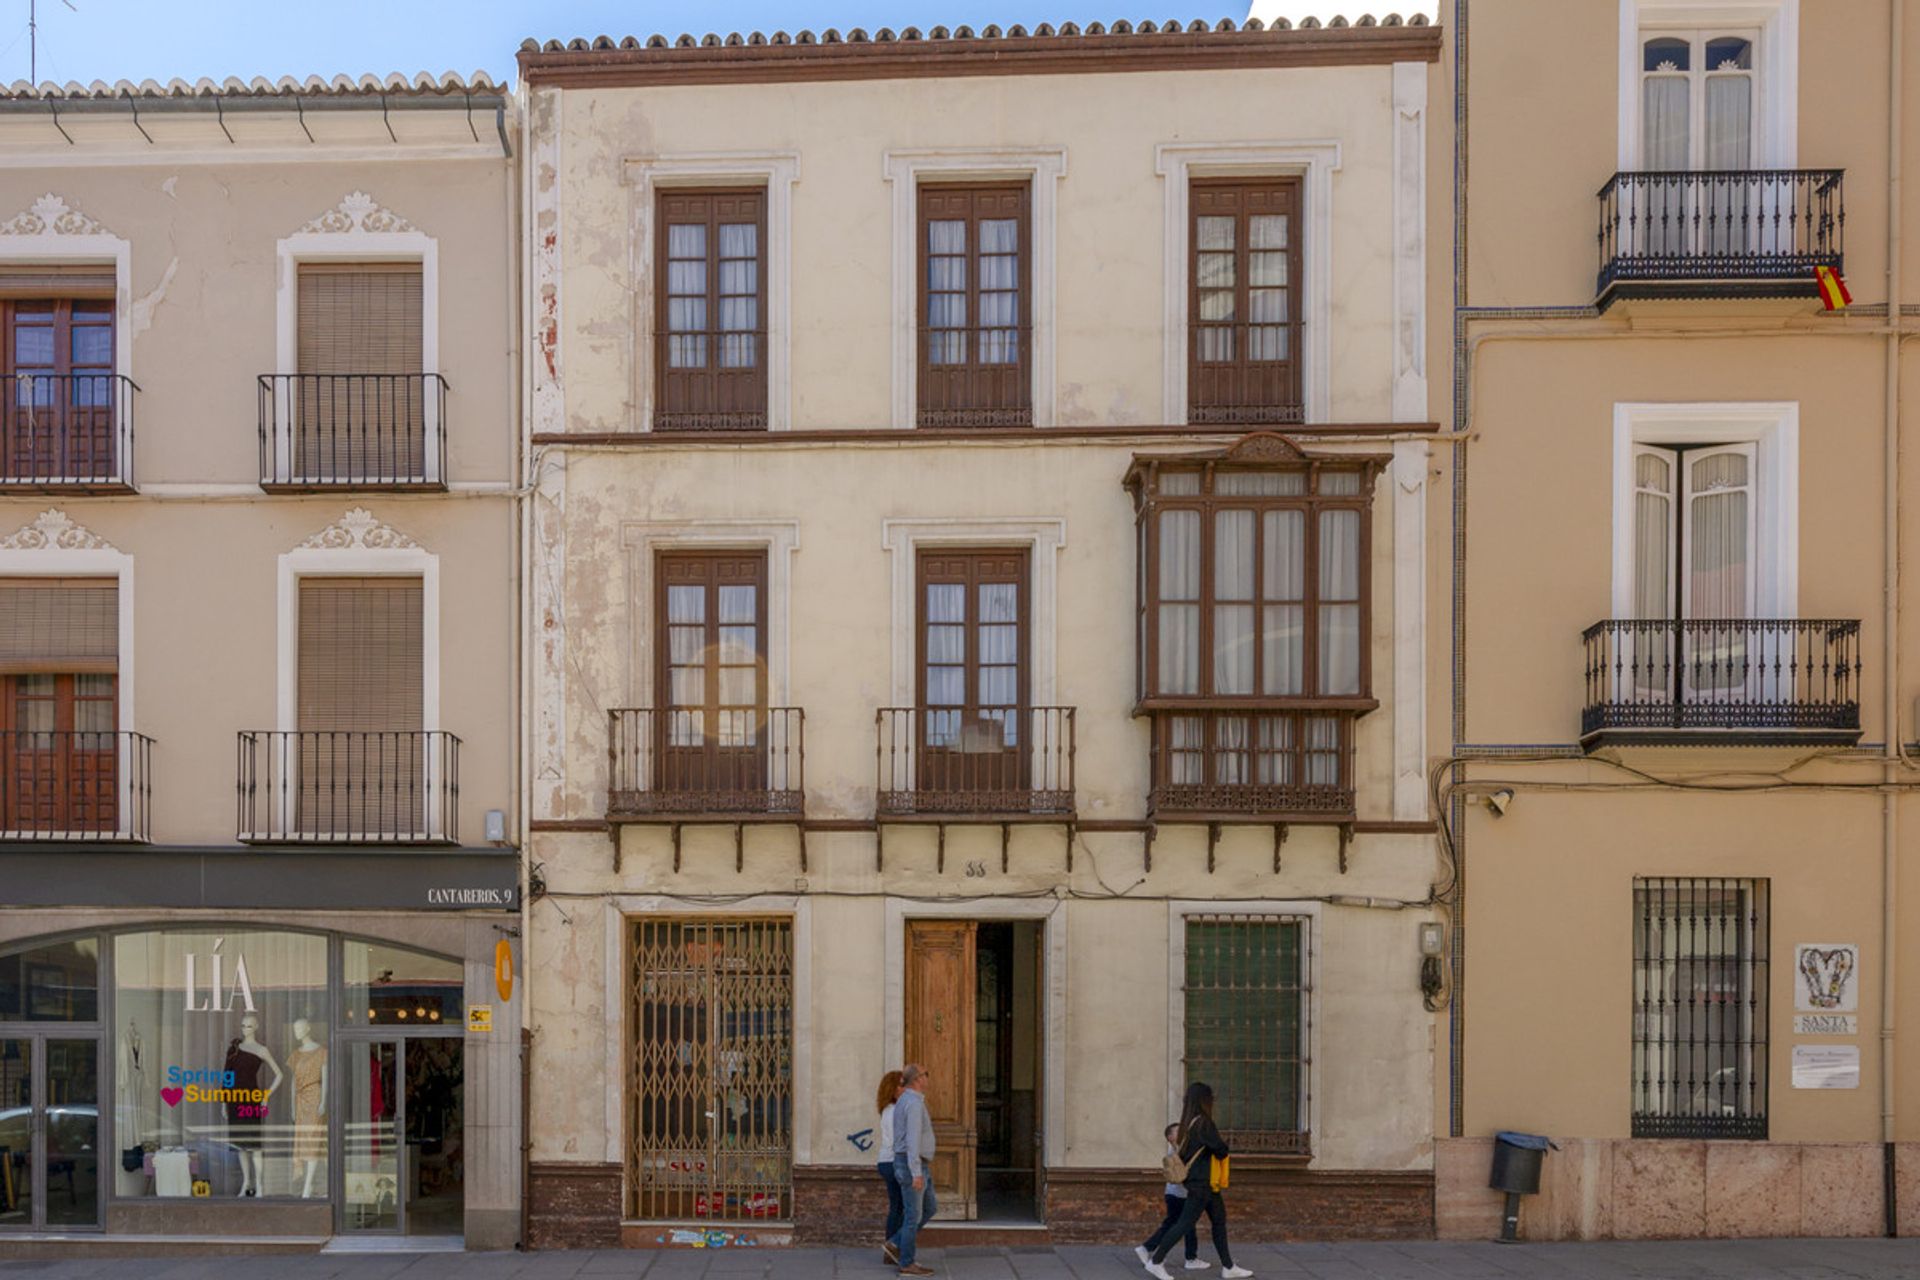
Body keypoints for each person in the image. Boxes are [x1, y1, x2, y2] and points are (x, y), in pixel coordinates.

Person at [1143, 1083, 1251, 1280]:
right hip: (1202, 1183)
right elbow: (1221, 1149)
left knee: (1219, 1221)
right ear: (1204, 1100)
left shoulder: (1188, 1123)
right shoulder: (1204, 1123)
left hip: (1204, 1183)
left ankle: (1228, 1266)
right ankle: (1156, 1261)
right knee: (1184, 1223)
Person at [888, 1063, 937, 1277]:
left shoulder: (905, 1100)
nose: (928, 1078)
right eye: (926, 1073)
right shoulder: (913, 1103)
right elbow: (912, 1139)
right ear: (917, 1078)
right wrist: (916, 1172)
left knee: (929, 1208)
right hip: (912, 1166)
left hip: (914, 1164)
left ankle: (895, 1244)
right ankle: (907, 1263)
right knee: (913, 1217)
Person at [1136, 1122, 1205, 1271]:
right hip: (1179, 1195)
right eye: (1178, 1132)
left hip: (1176, 1194)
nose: (1182, 1133)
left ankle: (1190, 1257)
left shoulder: (1180, 1149)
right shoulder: (1176, 1151)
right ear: (1170, 1138)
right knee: (1180, 1224)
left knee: (1184, 1225)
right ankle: (1148, 1248)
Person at [875, 1070, 906, 1264]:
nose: (905, 1089)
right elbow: (898, 1141)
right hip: (893, 1161)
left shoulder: (888, 1110)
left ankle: (892, 1249)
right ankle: (893, 1247)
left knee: (897, 1206)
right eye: (902, 1085)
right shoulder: (894, 1111)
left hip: (887, 1161)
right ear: (893, 1089)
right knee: (900, 1207)